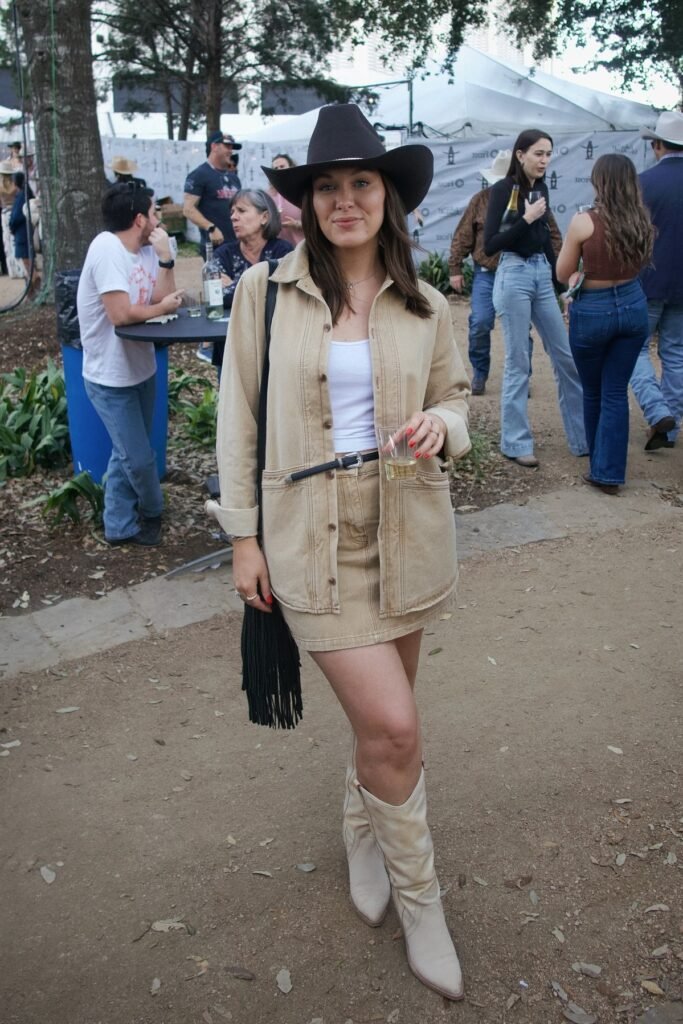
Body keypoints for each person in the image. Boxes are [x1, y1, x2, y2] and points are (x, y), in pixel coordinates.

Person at [207, 104, 471, 1001]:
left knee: (381, 727)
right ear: (306, 202)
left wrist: (445, 423)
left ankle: (365, 826)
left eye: (362, 183)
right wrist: (242, 537)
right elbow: (235, 418)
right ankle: (422, 904)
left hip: (407, 534)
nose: (344, 200)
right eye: (327, 186)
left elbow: (458, 394)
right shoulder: (264, 294)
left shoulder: (425, 302)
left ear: (388, 198)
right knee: (396, 728)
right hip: (305, 543)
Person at [76, 182, 183, 546]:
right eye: (154, 213)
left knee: (128, 452)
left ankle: (118, 526)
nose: (158, 219)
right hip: (110, 377)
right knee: (136, 457)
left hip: (142, 369)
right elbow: (120, 314)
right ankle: (154, 511)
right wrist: (162, 309)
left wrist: (166, 258)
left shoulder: (146, 250)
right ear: (140, 219)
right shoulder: (106, 248)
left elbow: (160, 296)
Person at [484, 129, 587, 468]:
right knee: (518, 362)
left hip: (542, 273)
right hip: (512, 274)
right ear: (520, 155)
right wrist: (526, 218)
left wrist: (563, 290)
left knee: (566, 358)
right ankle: (515, 443)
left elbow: (544, 239)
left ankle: (582, 438)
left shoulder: (541, 188)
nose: (544, 160)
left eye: (548, 154)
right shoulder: (501, 190)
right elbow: (490, 245)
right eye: (538, 154)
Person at [556, 155, 654, 495]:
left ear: (600, 182)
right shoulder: (641, 220)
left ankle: (600, 467)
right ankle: (608, 471)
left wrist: (579, 273)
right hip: (633, 305)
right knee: (615, 391)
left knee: (594, 390)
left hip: (593, 310)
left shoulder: (584, 222)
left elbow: (561, 272)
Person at [449, 151, 554, 395]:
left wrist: (554, 266)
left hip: (519, 270)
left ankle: (522, 377)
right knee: (480, 323)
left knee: (520, 328)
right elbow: (464, 234)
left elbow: (551, 232)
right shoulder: (481, 200)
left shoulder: (533, 199)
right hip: (488, 271)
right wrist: (455, 268)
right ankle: (480, 372)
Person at [629, 110, 683, 451]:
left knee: (633, 350)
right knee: (675, 354)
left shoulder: (643, 184)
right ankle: (671, 429)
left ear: (658, 145)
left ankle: (657, 410)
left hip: (646, 282)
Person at [210, 189, 293, 375]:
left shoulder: (284, 252)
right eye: (231, 212)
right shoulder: (223, 253)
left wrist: (235, 285)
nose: (233, 217)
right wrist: (265, 286)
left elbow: (286, 296)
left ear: (264, 217)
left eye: (241, 210)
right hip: (230, 347)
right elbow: (216, 297)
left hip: (275, 348)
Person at [183, 131, 241, 253]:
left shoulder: (234, 178)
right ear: (214, 146)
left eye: (232, 148)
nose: (231, 151)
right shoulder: (199, 175)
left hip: (237, 244)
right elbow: (188, 209)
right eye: (227, 146)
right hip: (215, 246)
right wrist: (211, 228)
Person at [8, 172, 37, 293]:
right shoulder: (24, 195)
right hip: (24, 232)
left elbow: (16, 216)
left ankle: (34, 288)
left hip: (22, 234)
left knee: (29, 266)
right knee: (29, 265)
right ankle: (31, 290)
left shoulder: (22, 197)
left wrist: (11, 225)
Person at [268, 154, 304, 246]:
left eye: (282, 166)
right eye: (275, 168)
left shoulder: (303, 191)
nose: (279, 170)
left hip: (302, 249)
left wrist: (297, 224)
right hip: (278, 252)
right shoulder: (269, 195)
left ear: (291, 167)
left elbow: (316, 223)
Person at [0, 159, 23, 279]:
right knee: (15, 242)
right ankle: (19, 269)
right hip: (13, 212)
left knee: (7, 243)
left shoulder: (0, 187)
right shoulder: (15, 187)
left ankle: (11, 271)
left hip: (4, 213)